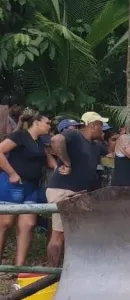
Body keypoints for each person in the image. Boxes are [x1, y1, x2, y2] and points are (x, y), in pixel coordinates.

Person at [46, 111, 108, 265]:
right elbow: (56, 139)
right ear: (92, 125)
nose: (103, 130)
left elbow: (114, 152)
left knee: (74, 234)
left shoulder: (96, 146)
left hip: (80, 193)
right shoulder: (74, 135)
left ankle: (68, 269)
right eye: (101, 126)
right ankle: (51, 273)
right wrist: (67, 163)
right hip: (64, 190)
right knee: (58, 234)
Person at [0, 110, 54, 267]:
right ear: (36, 123)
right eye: (47, 123)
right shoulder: (20, 136)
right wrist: (12, 173)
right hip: (13, 185)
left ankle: (19, 268)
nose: (49, 126)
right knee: (5, 224)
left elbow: (50, 163)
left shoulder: (41, 142)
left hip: (31, 187)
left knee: (28, 225)